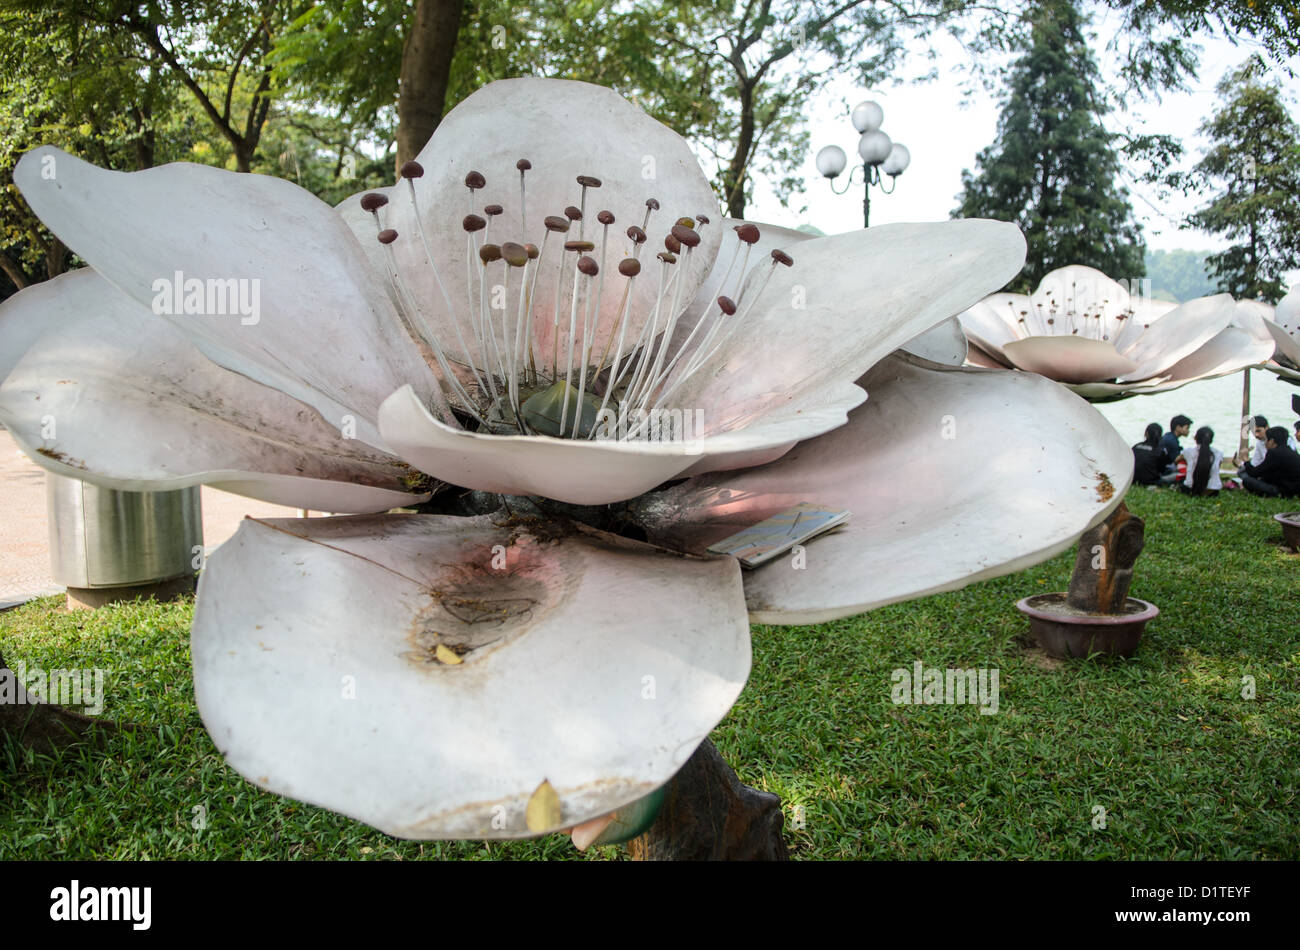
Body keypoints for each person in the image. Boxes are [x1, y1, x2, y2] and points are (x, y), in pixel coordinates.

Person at [1239, 426, 1300, 498]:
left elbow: (1254, 473)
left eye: (1266, 440)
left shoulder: (1274, 453)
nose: (1265, 443)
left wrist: (1246, 460)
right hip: (1296, 490)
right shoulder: (1293, 453)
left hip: (1283, 492)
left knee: (1247, 481)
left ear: (1271, 441)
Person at [1179, 427, 1222, 497]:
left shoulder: (1189, 451)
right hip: (1212, 491)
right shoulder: (1218, 453)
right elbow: (1217, 469)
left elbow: (1176, 460)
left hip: (1191, 489)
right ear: (1211, 440)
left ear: (1195, 438)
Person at [1131, 423, 1169, 487]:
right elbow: (1162, 469)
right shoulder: (1160, 450)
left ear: (1146, 433)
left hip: (1132, 479)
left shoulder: (1136, 446)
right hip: (1149, 481)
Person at [1160, 415, 1191, 479]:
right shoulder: (1172, 441)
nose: (1188, 431)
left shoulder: (1168, 436)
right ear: (1178, 427)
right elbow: (1176, 460)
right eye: (1187, 428)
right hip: (1164, 469)